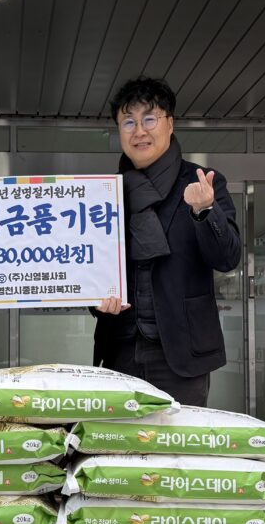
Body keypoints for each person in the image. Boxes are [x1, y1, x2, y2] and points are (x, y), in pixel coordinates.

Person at [93, 76, 241, 406]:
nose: (139, 131)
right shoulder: (105, 193)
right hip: (120, 350)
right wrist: (97, 300)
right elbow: (93, 266)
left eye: (149, 119)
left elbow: (228, 258)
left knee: (178, 439)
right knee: (120, 438)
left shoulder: (203, 183)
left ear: (170, 124)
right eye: (128, 122)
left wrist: (205, 210)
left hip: (183, 353)